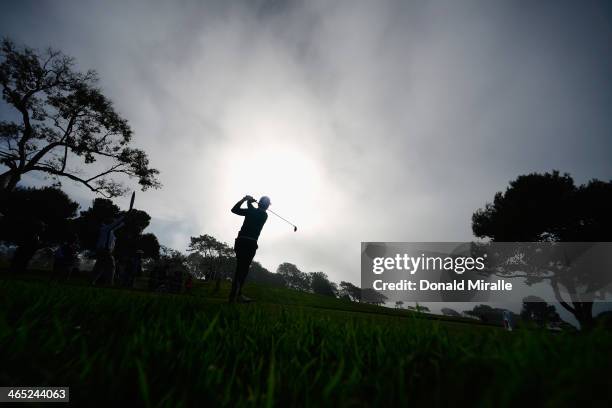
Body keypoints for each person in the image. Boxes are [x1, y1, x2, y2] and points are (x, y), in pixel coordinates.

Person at [229, 194, 270, 303]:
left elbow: (236, 209)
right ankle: (236, 295)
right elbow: (234, 210)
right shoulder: (260, 213)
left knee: (241, 269)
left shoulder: (263, 215)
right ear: (266, 206)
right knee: (242, 269)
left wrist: (246, 200)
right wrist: (247, 200)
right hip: (249, 243)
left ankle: (236, 295)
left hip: (242, 242)